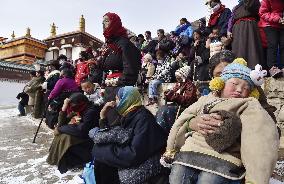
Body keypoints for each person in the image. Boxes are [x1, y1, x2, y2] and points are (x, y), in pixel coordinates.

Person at [163, 58, 279, 184]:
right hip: (191, 151)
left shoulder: (249, 104)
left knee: (208, 180)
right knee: (177, 177)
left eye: (246, 87)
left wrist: (256, 178)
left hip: (224, 158)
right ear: (220, 83)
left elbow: (260, 138)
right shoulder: (206, 99)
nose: (239, 90)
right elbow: (183, 119)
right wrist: (190, 124)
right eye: (234, 84)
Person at [89, 86, 168, 184]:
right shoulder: (128, 115)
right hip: (136, 155)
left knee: (100, 154)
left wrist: (103, 152)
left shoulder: (143, 119)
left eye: (118, 99)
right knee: (100, 155)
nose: (115, 102)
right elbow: (112, 135)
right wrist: (103, 117)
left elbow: (134, 153)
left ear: (126, 99)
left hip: (148, 161)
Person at [47, 93, 100, 173]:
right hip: (85, 133)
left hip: (91, 138)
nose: (72, 107)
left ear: (81, 102)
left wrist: (61, 129)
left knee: (65, 137)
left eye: (73, 105)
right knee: (62, 135)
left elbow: (82, 130)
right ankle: (56, 158)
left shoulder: (91, 111)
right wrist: (64, 109)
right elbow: (61, 124)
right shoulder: (80, 109)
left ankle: (74, 161)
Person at [227, 0, 265, 69]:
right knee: (239, 49)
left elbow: (254, 9)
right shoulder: (236, 7)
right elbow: (231, 19)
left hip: (250, 27)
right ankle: (239, 70)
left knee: (252, 47)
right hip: (237, 29)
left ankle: (255, 69)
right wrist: (229, 30)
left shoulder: (254, 2)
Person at [258, 0, 284, 76]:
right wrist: (278, 19)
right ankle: (273, 68)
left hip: (282, 25)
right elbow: (262, 13)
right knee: (273, 45)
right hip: (270, 24)